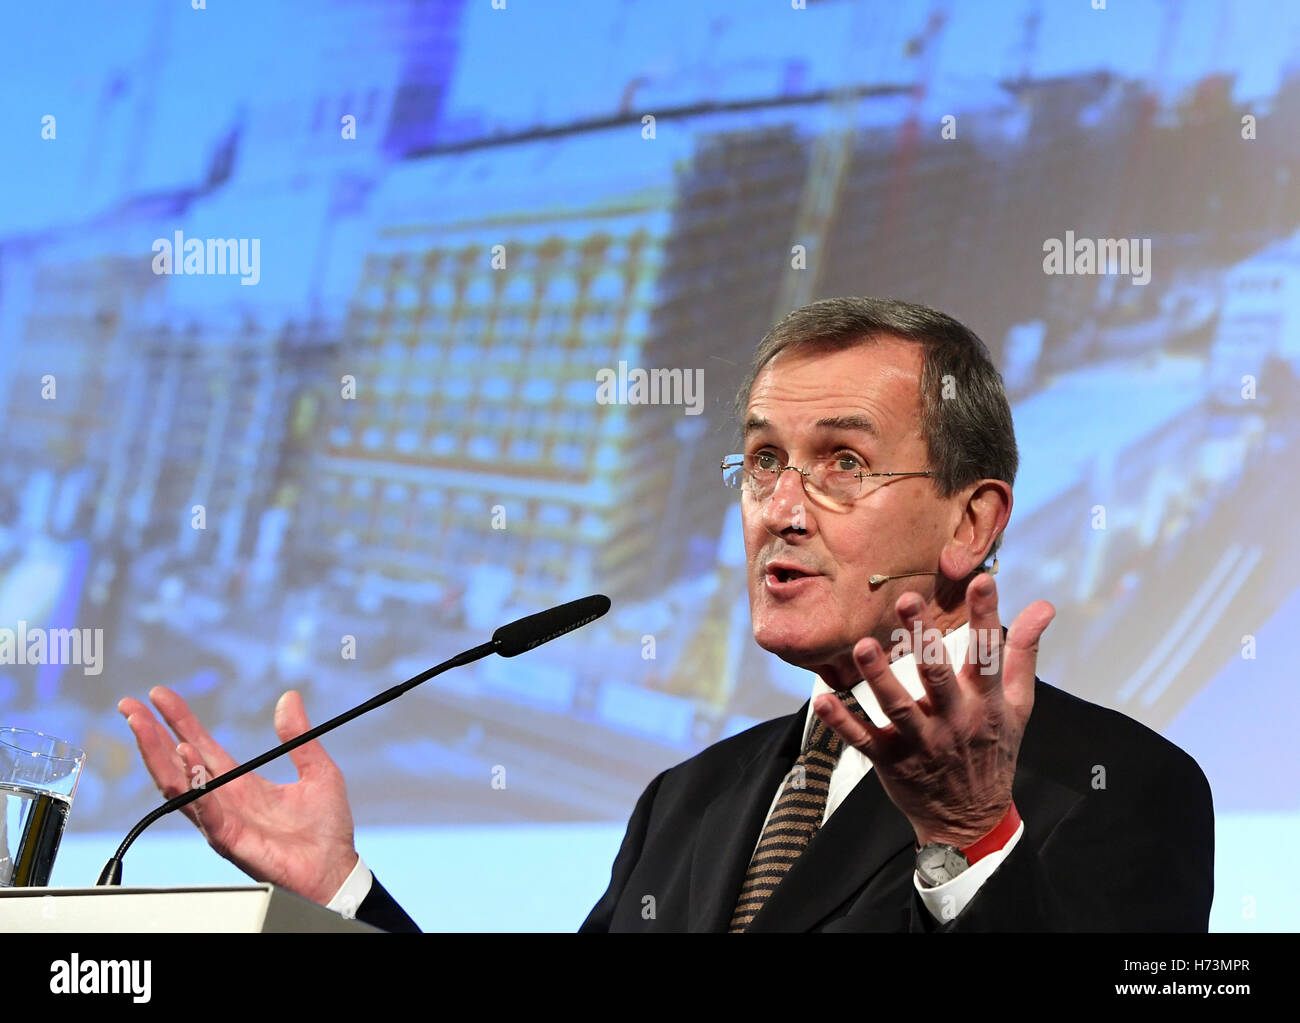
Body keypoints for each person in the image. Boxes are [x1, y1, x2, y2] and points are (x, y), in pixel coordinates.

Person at [118, 297, 1214, 931]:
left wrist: (971, 837)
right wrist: (341, 891)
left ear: (971, 523)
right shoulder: (687, 800)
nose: (779, 510)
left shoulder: (1119, 788)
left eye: (841, 461)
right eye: (762, 461)